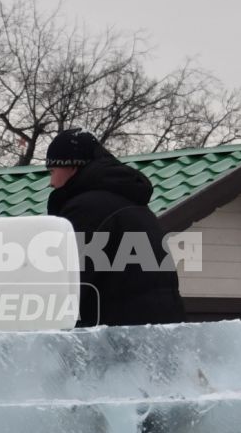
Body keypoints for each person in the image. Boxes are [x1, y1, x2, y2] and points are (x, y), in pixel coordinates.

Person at [44, 129, 185, 327]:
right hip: (160, 334)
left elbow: (63, 285)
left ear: (72, 167)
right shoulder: (133, 205)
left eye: (52, 172)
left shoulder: (88, 209)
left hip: (117, 340)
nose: (51, 182)